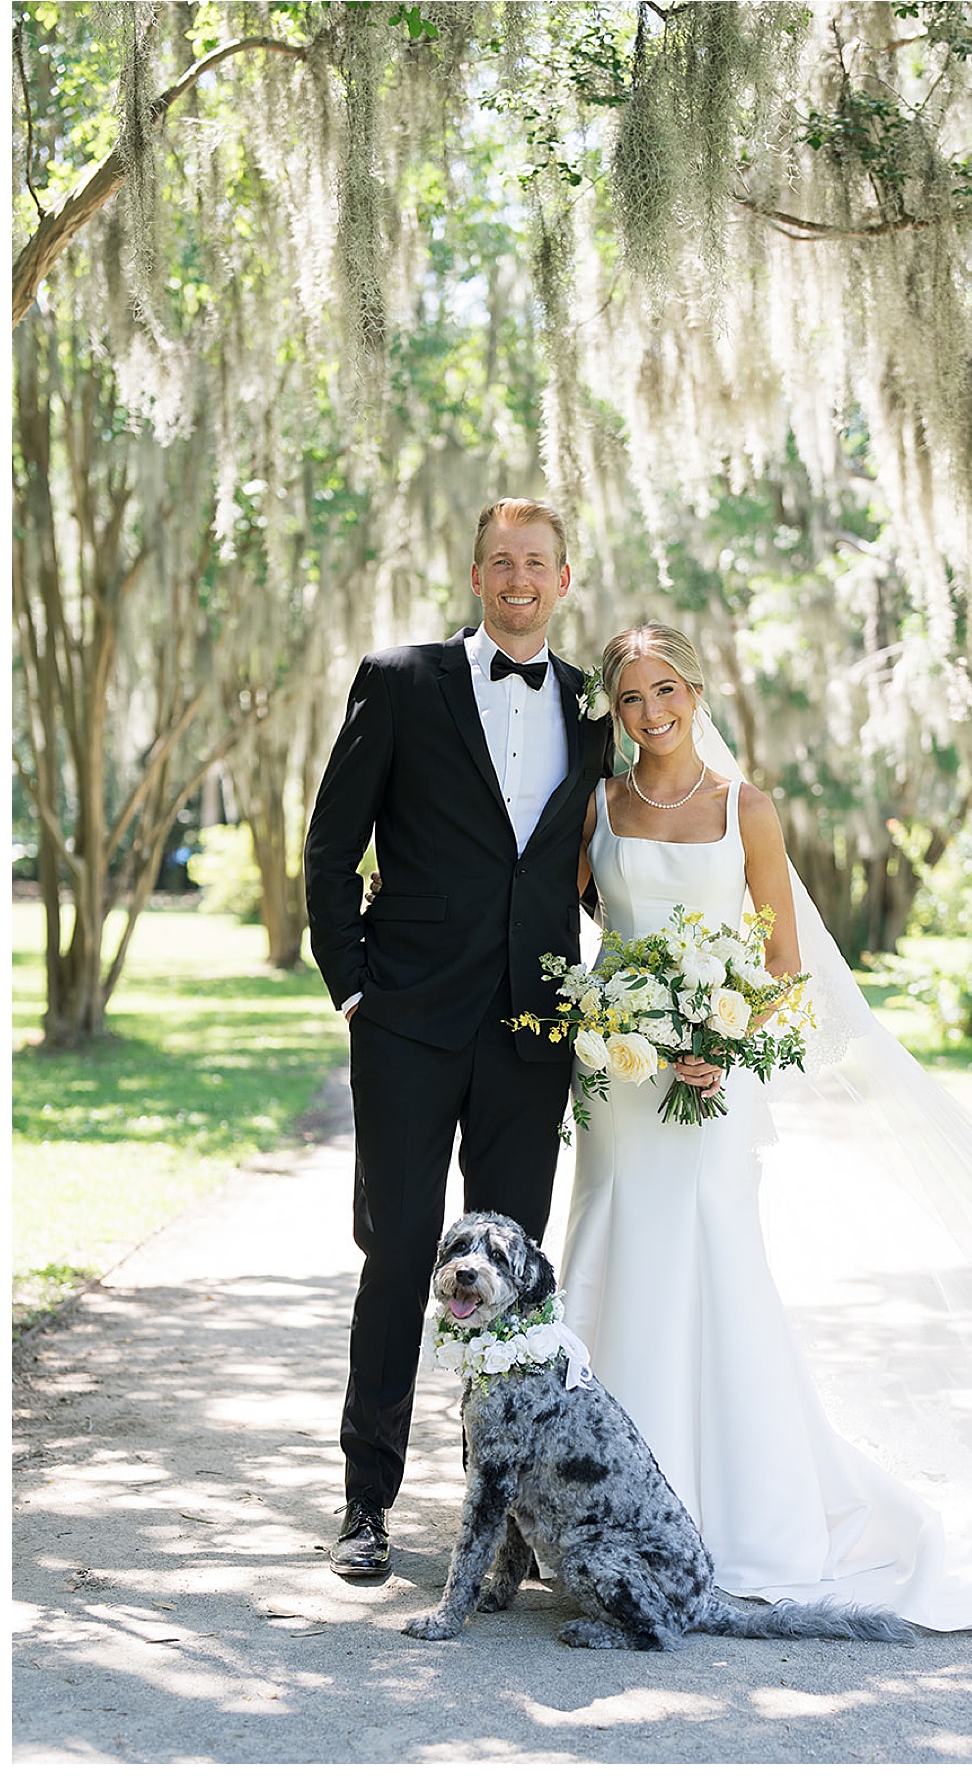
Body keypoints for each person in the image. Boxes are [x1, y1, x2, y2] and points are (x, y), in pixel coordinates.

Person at [559, 622, 972, 1635]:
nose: (650, 713)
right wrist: (611, 1016)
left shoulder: (744, 809)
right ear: (615, 711)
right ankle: (599, 1515)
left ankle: (738, 1515)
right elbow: (561, 917)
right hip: (624, 1086)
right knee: (613, 1251)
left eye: (664, 689)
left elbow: (784, 973)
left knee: (712, 1268)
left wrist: (726, 1040)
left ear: (695, 689)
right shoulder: (601, 804)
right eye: (629, 698)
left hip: (714, 1085)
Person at [304, 498, 609, 1578]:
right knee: (398, 1258)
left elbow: (601, 867)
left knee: (513, 1272)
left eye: (537, 563)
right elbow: (332, 846)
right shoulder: (398, 680)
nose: (519, 578)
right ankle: (366, 1503)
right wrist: (353, 988)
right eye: (500, 561)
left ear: (564, 580)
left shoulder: (593, 703)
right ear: (475, 573)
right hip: (407, 1022)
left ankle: (509, 1517)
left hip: (532, 1028)